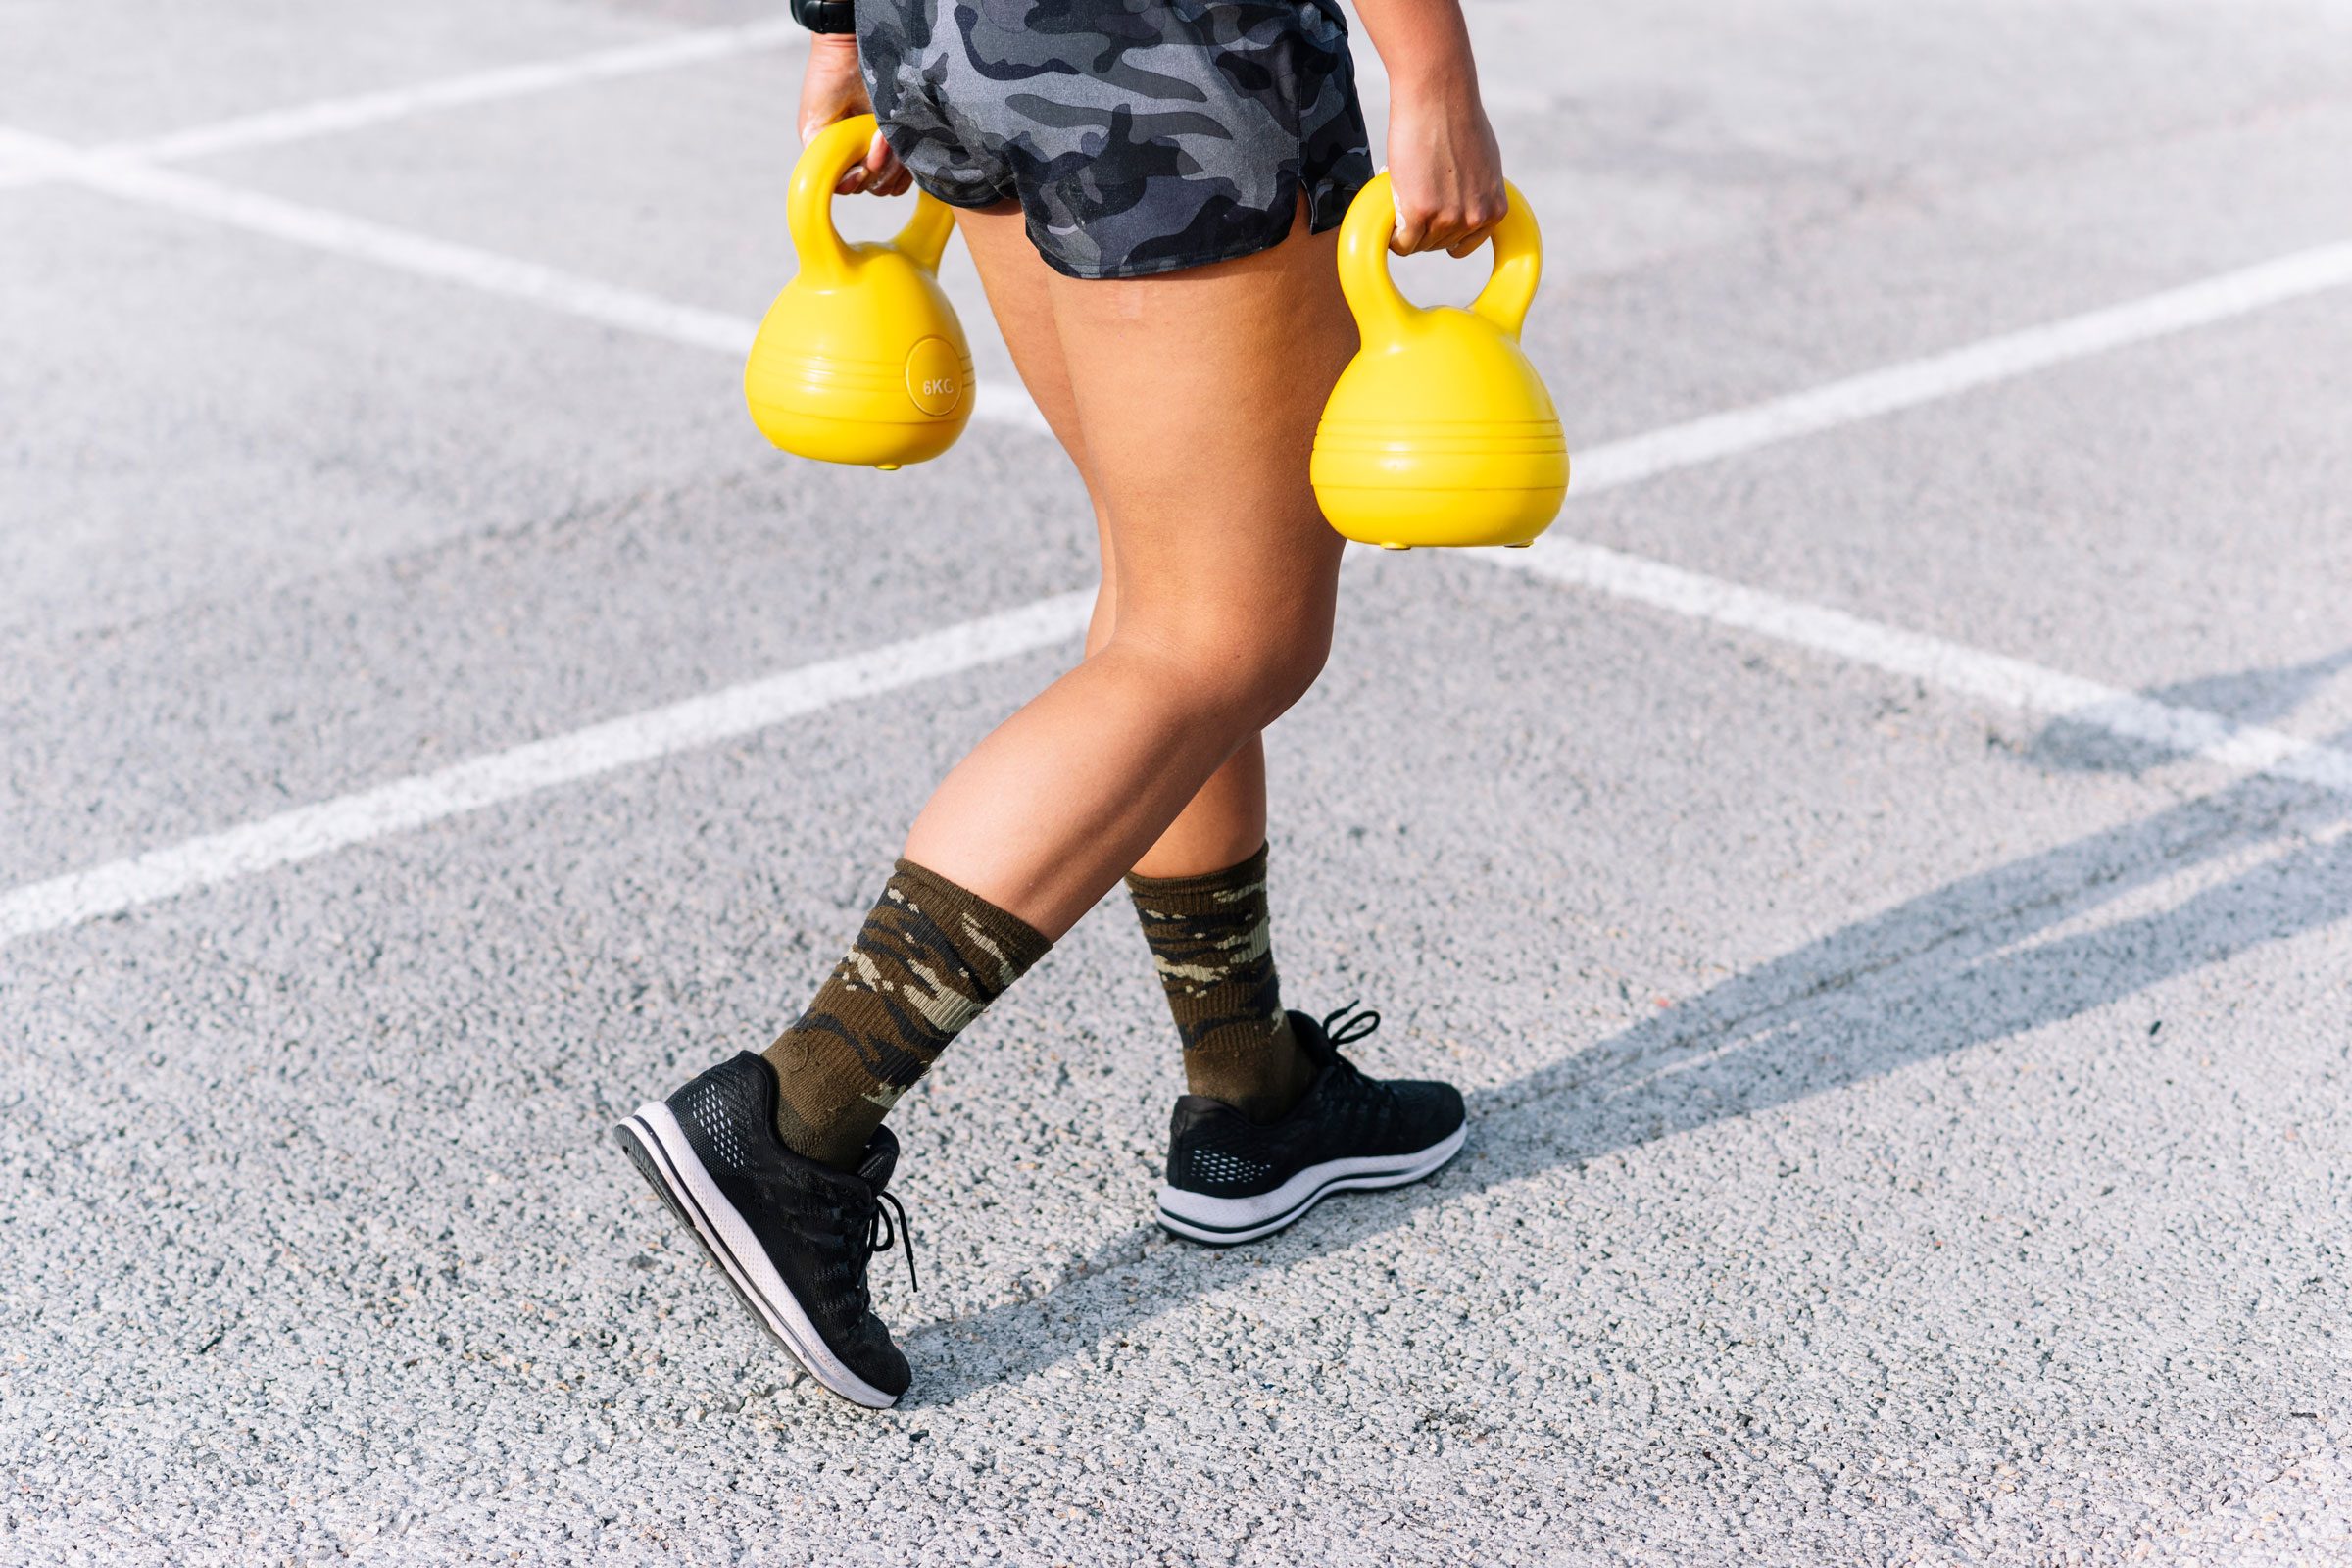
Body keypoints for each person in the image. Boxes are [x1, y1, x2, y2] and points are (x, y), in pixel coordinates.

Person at [617, 0, 1505, 1409]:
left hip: (962, 39)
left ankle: (1252, 1093)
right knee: (1228, 632)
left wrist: (842, 31)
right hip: (1170, 56)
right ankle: (796, 1114)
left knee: (1163, 588)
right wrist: (1434, 60)